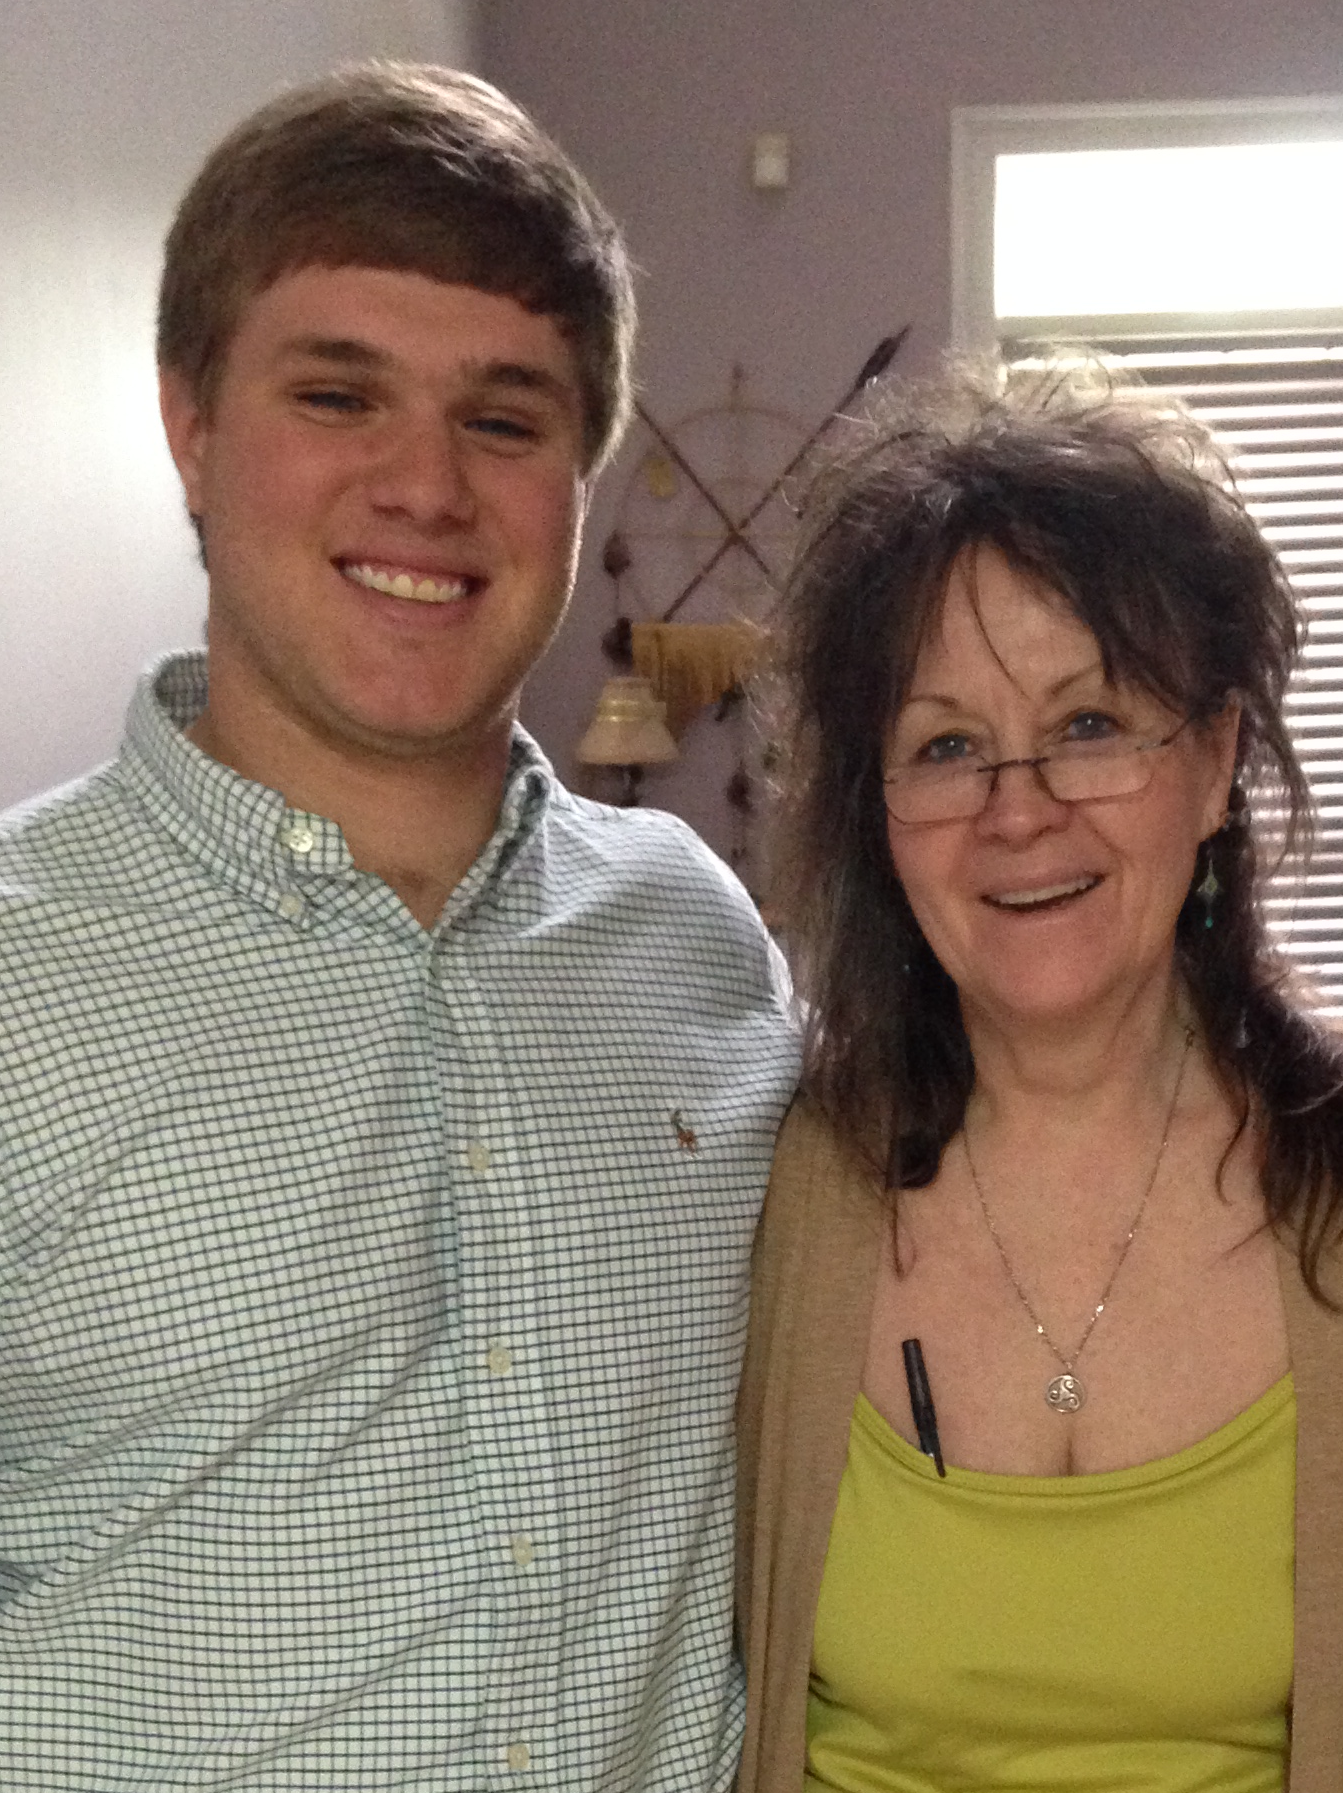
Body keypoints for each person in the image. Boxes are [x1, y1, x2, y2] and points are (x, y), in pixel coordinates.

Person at [0, 64, 799, 1789]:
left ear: (579, 488)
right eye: (339, 396)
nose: (425, 487)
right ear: (190, 427)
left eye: (504, 419)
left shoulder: (701, 948)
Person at [736, 362, 1343, 1793]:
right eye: (945, 746)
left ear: (1212, 765)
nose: (1018, 812)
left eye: (1086, 726)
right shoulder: (777, 1197)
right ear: (878, 821)